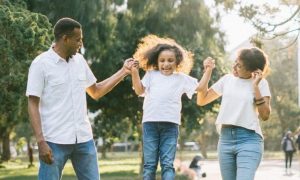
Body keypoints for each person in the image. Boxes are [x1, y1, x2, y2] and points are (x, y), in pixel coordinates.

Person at [26, 17, 133, 180]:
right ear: (65, 39)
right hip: (54, 141)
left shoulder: (80, 61)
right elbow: (32, 104)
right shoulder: (41, 64)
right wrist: (40, 141)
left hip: (84, 139)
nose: (80, 43)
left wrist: (124, 72)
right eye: (78, 40)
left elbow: (95, 91)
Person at [130, 35, 210, 180]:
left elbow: (201, 87)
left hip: (171, 125)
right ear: (156, 61)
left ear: (177, 62)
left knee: (167, 164)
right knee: (150, 164)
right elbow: (139, 91)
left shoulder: (181, 78)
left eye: (170, 60)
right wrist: (134, 73)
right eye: (162, 60)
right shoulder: (151, 75)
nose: (166, 64)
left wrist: (208, 70)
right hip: (150, 124)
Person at [197, 47, 271, 180]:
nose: (234, 67)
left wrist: (255, 87)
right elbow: (202, 100)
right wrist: (208, 71)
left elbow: (265, 115)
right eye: (235, 62)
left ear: (253, 71)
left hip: (249, 140)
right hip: (225, 140)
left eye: (239, 66)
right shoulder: (227, 80)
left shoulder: (262, 83)